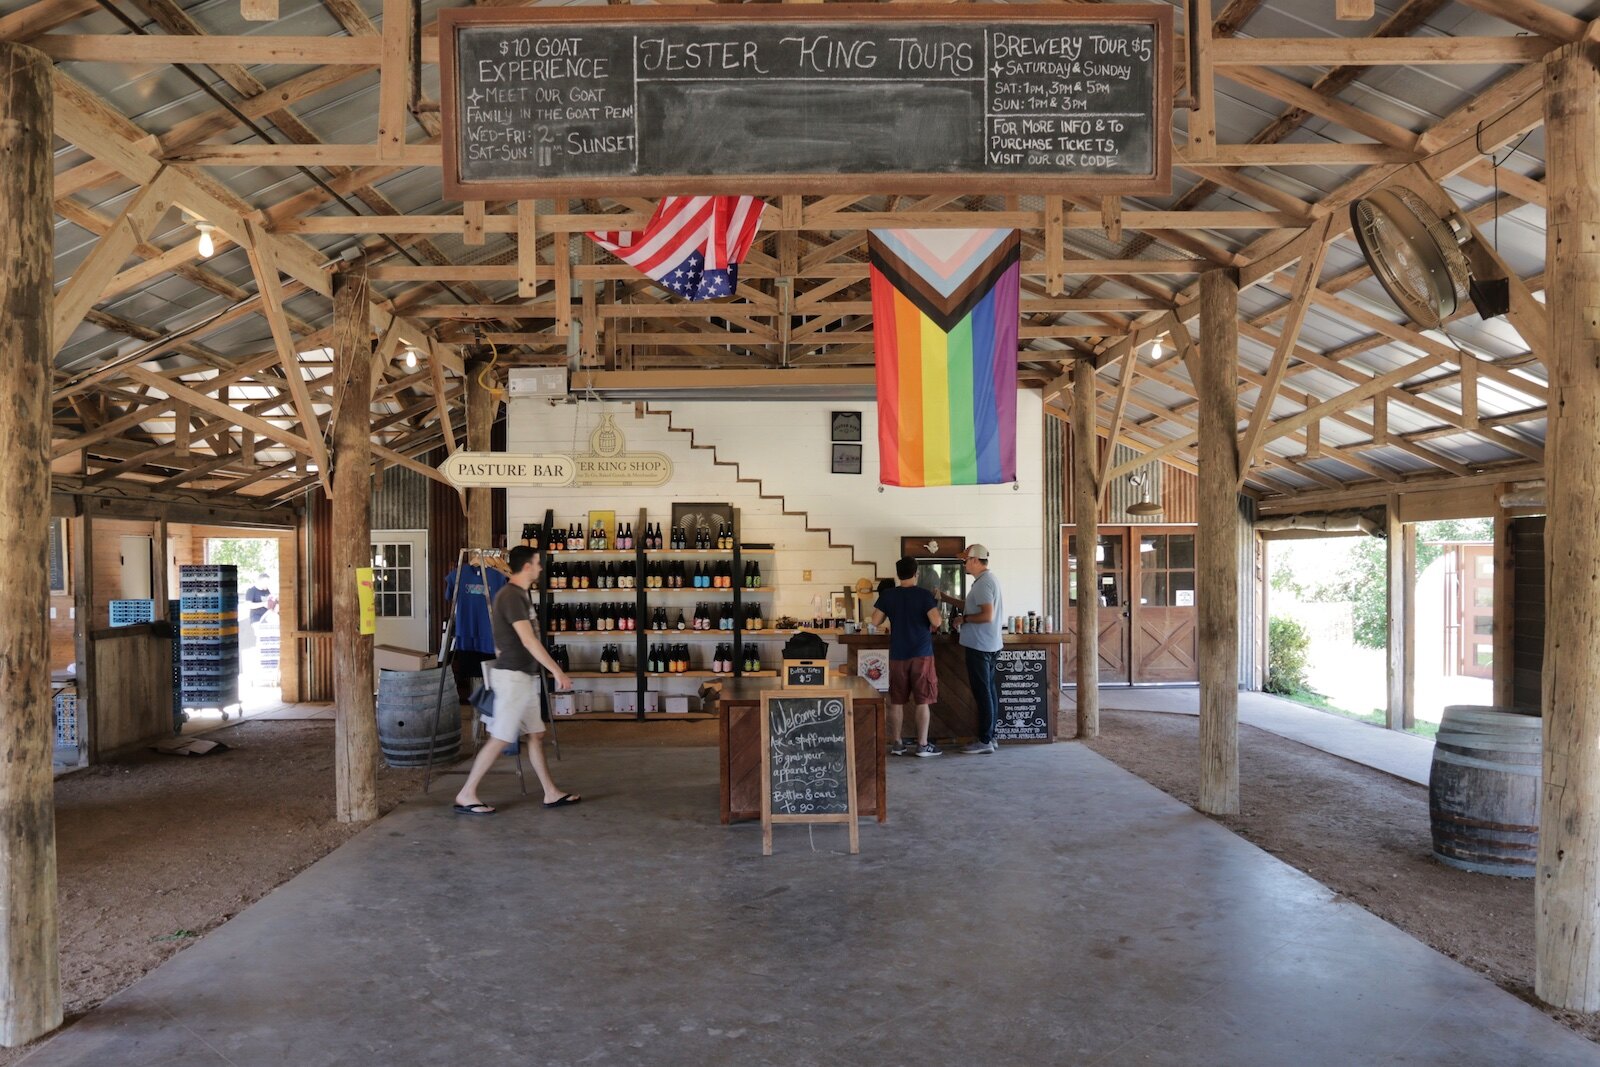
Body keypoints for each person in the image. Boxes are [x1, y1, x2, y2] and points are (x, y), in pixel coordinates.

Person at [453, 546, 580, 815]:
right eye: (537, 563)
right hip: (512, 678)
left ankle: (550, 792)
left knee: (536, 734)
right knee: (499, 737)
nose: (541, 568)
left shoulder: (520, 595)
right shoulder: (511, 596)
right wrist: (556, 670)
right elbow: (528, 639)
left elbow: (506, 641)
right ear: (526, 567)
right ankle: (466, 793)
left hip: (521, 676)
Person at [872, 558, 944, 757]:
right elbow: (936, 621)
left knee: (897, 701)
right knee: (923, 701)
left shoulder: (888, 595)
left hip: (898, 655)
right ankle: (922, 745)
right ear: (916, 573)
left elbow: (875, 620)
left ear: (898, 574)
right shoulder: (924, 595)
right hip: (921, 654)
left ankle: (897, 743)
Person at [946, 544, 1003, 754]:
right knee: (989, 691)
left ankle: (985, 740)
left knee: (983, 693)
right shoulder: (986, 581)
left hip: (980, 645)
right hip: (989, 643)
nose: (963, 564)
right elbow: (972, 606)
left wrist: (964, 619)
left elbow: (986, 615)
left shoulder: (982, 584)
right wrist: (946, 598)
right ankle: (991, 736)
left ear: (976, 560)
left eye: (965, 560)